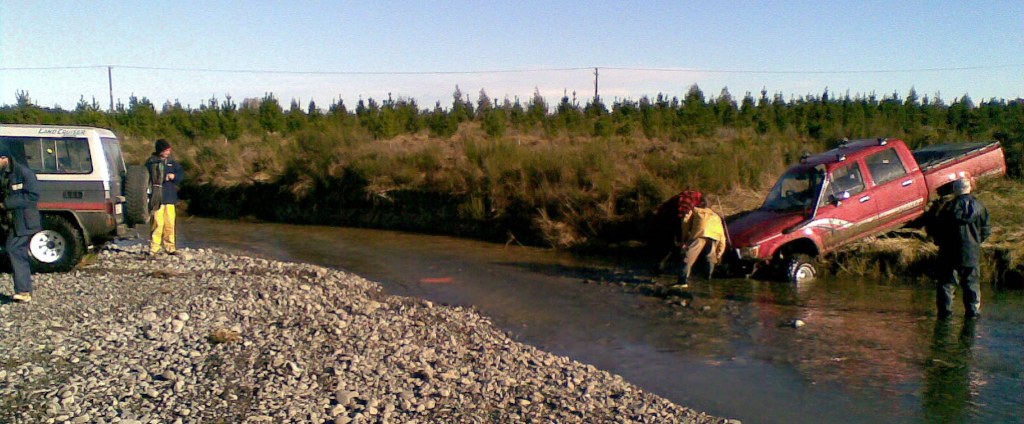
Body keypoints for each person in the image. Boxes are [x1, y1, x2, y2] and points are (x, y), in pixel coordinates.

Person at [931, 177, 990, 319]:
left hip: (949, 252)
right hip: (971, 252)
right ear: (969, 188)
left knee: (947, 283)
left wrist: (940, 243)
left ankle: (945, 313)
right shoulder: (980, 207)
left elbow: (938, 229)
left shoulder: (948, 207)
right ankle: (972, 312)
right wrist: (976, 242)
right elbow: (986, 230)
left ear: (955, 190)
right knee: (972, 284)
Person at [0, 143, 42, 302]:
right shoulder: (3, 173)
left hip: (24, 220)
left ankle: (24, 292)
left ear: (4, 158)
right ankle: (23, 290)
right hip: (8, 221)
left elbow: (33, 196)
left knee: (14, 249)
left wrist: (6, 204)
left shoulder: (24, 173)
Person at [676, 191, 727, 287]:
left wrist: (684, 239)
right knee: (710, 257)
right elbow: (723, 238)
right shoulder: (716, 216)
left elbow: (685, 223)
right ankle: (708, 280)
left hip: (700, 234)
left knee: (688, 257)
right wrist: (719, 254)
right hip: (714, 236)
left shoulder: (695, 210)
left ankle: (682, 282)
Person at [146, 139, 184, 256]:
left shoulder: (172, 163)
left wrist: (175, 176)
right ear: (160, 150)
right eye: (166, 150)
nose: (168, 152)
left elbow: (181, 175)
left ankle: (170, 247)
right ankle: (154, 248)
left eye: (169, 150)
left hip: (170, 198)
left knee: (170, 223)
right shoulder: (151, 163)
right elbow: (147, 179)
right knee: (158, 223)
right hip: (157, 198)